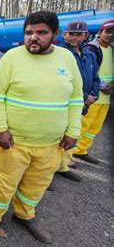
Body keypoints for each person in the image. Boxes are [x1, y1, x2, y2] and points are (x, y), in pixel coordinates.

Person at [0, 11, 83, 245]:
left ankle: (25, 215)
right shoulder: (11, 58)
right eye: (29, 33)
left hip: (52, 144)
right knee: (2, 184)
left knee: (37, 183)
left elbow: (76, 98)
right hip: (15, 142)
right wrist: (0, 128)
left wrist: (73, 131)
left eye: (41, 32)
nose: (33, 37)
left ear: (55, 34)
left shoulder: (66, 59)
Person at [55, 21, 100, 182]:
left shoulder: (89, 55)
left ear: (86, 35)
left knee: (71, 136)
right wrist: (83, 98)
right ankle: (46, 173)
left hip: (82, 105)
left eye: (79, 34)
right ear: (64, 34)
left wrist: (94, 95)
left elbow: (95, 77)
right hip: (64, 104)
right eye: (71, 34)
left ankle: (62, 167)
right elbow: (58, 82)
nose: (75, 37)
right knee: (56, 140)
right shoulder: (58, 54)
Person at [72, 19, 113, 163]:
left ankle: (81, 150)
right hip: (93, 96)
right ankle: (69, 155)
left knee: (95, 127)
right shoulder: (92, 49)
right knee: (82, 126)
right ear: (100, 32)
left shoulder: (111, 49)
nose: (110, 35)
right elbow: (87, 73)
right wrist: (100, 88)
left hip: (106, 98)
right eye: (107, 31)